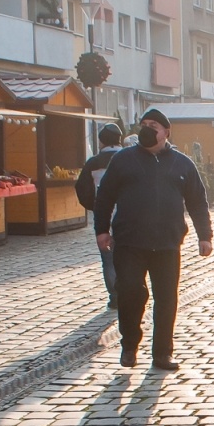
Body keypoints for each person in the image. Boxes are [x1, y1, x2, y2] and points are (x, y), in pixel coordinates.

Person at [95, 108, 214, 371]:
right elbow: (104, 196)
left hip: (167, 244)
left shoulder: (182, 164)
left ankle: (162, 353)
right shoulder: (123, 160)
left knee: (166, 299)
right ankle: (129, 344)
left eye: (154, 125)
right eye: (144, 124)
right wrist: (101, 230)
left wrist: (204, 235)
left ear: (166, 132)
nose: (148, 129)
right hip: (129, 243)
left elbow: (197, 201)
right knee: (129, 293)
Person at [76, 123, 123, 308]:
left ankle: (115, 296)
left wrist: (93, 206)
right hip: (128, 215)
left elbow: (82, 188)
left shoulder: (94, 162)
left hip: (104, 214)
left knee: (108, 259)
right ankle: (127, 292)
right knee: (127, 257)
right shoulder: (128, 157)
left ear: (102, 141)